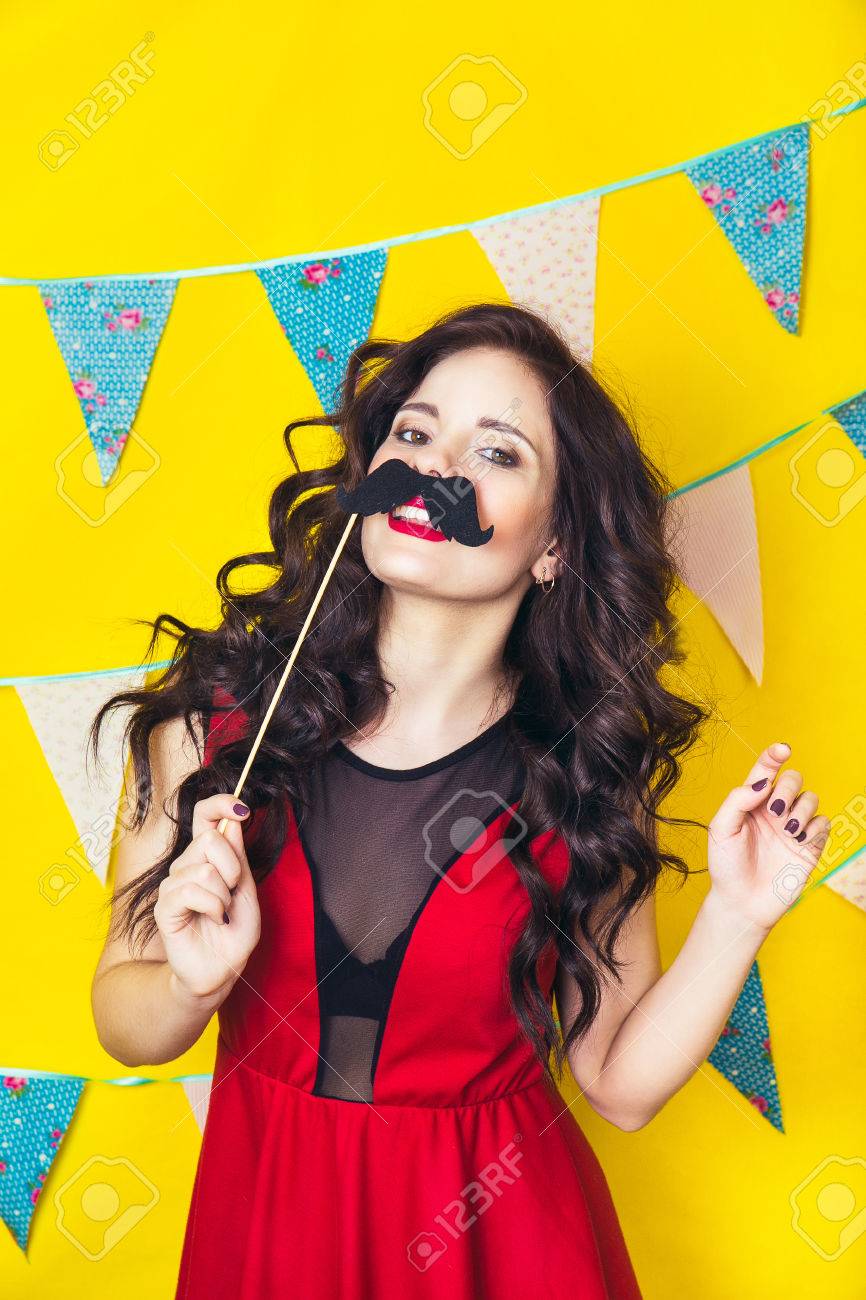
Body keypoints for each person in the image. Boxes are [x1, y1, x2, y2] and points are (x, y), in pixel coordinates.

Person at [89, 301, 829, 1299]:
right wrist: (190, 984)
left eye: (497, 452)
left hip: (500, 1250)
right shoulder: (218, 723)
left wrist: (737, 917)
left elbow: (615, 1083)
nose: (436, 471)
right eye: (413, 432)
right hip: (270, 1229)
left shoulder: (579, 773)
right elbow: (125, 1018)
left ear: (554, 547)